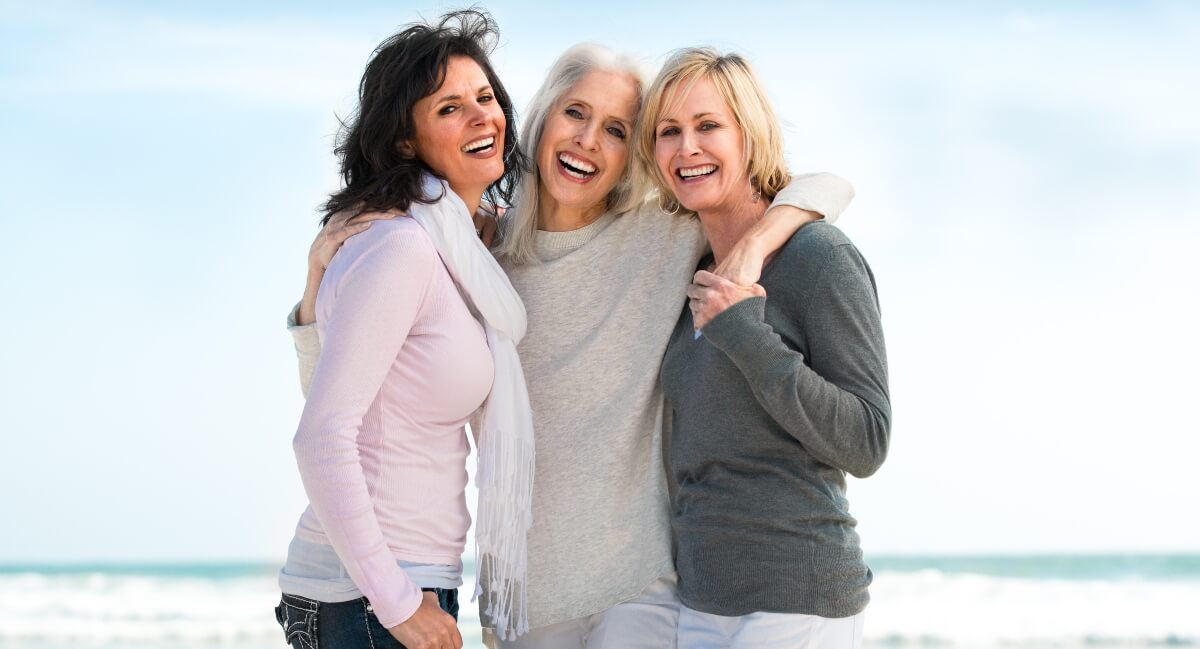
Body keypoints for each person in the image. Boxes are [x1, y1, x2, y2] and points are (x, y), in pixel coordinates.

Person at [293, 43, 856, 648]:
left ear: (631, 155)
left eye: (616, 129)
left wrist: (754, 244)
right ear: (540, 118)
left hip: (640, 583)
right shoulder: (473, 255)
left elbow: (828, 185)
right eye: (576, 113)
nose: (590, 139)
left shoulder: (661, 236)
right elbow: (351, 405)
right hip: (524, 594)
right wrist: (314, 289)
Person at [275, 10, 534, 649]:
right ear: (403, 142)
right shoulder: (403, 247)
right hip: (370, 593)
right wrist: (396, 604)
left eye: (485, 97)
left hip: (394, 582)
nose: (482, 117)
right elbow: (322, 435)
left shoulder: (457, 252)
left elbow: (343, 398)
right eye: (449, 108)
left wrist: (313, 291)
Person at [637, 47, 891, 649]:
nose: (686, 148)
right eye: (668, 132)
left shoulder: (819, 257)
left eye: (707, 126)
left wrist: (746, 331)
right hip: (701, 602)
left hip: (798, 598)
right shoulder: (687, 267)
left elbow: (867, 441)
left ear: (749, 136)